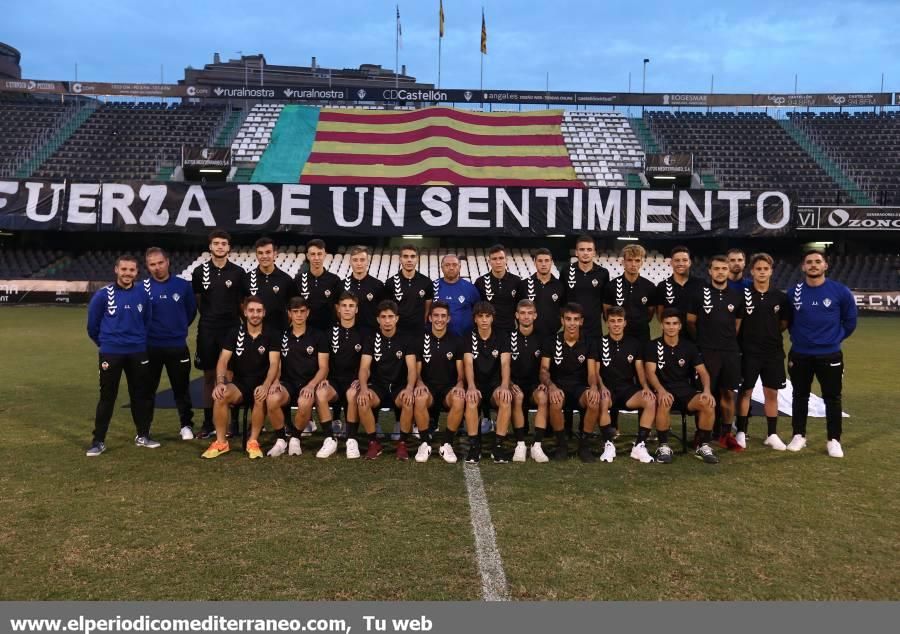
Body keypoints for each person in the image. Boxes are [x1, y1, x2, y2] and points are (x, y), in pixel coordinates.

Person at [786, 250, 857, 457]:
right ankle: (799, 435)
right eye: (809, 262)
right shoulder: (794, 292)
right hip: (800, 354)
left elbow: (850, 321)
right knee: (799, 396)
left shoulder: (840, 291)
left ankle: (834, 440)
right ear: (803, 267)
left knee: (832, 398)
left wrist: (835, 338)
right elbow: (788, 321)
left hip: (830, 355)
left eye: (818, 262)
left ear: (825, 265)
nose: (813, 265)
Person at [85, 254, 155, 456]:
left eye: (131, 270)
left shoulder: (142, 294)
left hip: (137, 352)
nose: (127, 273)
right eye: (124, 269)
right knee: (107, 397)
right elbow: (92, 326)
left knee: (139, 395)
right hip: (111, 353)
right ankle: (98, 441)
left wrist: (139, 339)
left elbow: (147, 321)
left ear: (136, 272)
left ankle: (143, 435)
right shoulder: (103, 295)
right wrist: (106, 343)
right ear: (116, 270)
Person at [201, 297, 280, 459]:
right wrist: (221, 382)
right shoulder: (234, 332)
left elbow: (274, 364)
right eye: (251, 311)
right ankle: (221, 443)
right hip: (240, 383)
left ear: (264, 313)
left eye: (259, 311)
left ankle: (253, 441)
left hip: (261, 382)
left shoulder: (272, 333)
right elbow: (223, 359)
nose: (255, 314)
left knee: (260, 395)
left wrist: (266, 385)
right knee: (220, 395)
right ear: (245, 312)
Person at [644, 309, 718, 464]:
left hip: (686, 392)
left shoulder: (689, 347)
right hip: (664, 391)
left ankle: (703, 446)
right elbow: (650, 373)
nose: (671, 327)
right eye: (667, 323)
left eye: (675, 323)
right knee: (664, 400)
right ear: (662, 325)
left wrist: (706, 391)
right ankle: (663, 446)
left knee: (708, 403)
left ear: (680, 326)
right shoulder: (652, 346)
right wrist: (661, 390)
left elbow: (703, 372)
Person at [687, 255, 745, 451]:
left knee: (728, 393)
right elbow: (691, 322)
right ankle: (702, 434)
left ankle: (726, 434)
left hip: (729, 351)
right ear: (710, 271)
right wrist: (704, 343)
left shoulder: (737, 297)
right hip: (706, 351)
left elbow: (736, 326)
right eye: (717, 268)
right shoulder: (698, 294)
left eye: (724, 268)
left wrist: (725, 342)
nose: (721, 272)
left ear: (729, 271)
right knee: (705, 393)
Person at [736, 253, 792, 450]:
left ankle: (772, 434)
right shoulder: (742, 295)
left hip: (773, 353)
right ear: (751, 271)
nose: (761, 272)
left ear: (771, 271)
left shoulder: (780, 297)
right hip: (748, 352)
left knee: (771, 393)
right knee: (745, 392)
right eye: (758, 269)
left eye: (765, 269)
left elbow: (783, 323)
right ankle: (741, 431)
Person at [192, 230, 244, 439]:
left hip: (231, 329)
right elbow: (198, 301)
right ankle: (207, 423)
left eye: (224, 243)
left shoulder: (238, 273)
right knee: (209, 376)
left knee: (230, 376)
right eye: (216, 243)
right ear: (210, 247)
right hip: (208, 329)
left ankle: (233, 424)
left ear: (229, 247)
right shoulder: (199, 271)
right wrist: (210, 319)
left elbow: (242, 303)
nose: (220, 246)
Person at [265, 297, 329, 458]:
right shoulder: (281, 336)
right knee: (271, 398)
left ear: (307, 313)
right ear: (289, 314)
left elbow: (324, 367)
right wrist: (276, 381)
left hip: (308, 383)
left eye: (302, 311)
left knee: (305, 401)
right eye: (295, 312)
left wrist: (312, 385)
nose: (299, 315)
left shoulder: (318, 336)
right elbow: (277, 364)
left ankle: (295, 437)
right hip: (287, 383)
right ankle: (281, 439)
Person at [539, 303, 604, 462]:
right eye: (568, 319)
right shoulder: (551, 341)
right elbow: (543, 370)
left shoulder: (589, 342)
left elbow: (591, 373)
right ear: (562, 321)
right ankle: (562, 445)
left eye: (576, 319)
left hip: (579, 387)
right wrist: (552, 386)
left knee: (594, 401)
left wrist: (594, 387)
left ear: (581, 321)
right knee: (555, 400)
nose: (572, 323)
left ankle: (584, 445)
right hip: (558, 385)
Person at [144, 247, 197, 440]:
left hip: (176, 346)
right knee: (147, 389)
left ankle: (186, 425)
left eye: (160, 263)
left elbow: (190, 312)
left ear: (167, 262)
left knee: (181, 388)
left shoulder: (183, 286)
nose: (157, 267)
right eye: (152, 264)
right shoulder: (143, 288)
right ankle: (144, 427)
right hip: (150, 348)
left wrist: (177, 328)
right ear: (148, 267)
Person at [355, 301, 418, 460]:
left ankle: (402, 444)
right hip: (378, 386)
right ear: (378, 320)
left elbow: (412, 369)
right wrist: (363, 388)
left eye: (390, 317)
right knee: (362, 400)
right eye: (383, 317)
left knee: (408, 401)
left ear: (397, 318)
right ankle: (373, 443)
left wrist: (410, 388)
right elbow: (364, 368)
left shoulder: (406, 338)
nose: (387, 321)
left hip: (399, 386)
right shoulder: (371, 338)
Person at [596, 307, 657, 463]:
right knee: (602, 400)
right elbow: (595, 372)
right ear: (607, 323)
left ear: (625, 323)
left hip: (627, 390)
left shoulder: (634, 344)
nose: (616, 324)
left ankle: (639, 445)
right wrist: (601, 387)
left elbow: (640, 370)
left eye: (619, 321)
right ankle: (608, 444)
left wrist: (645, 387)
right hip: (607, 389)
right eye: (612, 321)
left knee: (650, 400)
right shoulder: (598, 343)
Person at [413, 301, 467, 463]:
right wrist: (419, 383)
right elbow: (416, 370)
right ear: (429, 318)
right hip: (428, 387)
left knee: (459, 398)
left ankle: (447, 443)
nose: (439, 319)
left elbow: (460, 372)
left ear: (449, 319)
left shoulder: (456, 340)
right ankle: (424, 443)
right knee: (420, 397)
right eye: (436, 315)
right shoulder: (421, 339)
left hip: (448, 388)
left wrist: (459, 384)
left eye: (443, 316)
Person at [315, 292, 365, 459]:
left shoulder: (365, 333)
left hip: (355, 381)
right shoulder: (328, 333)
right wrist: (324, 379)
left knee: (352, 394)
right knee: (320, 393)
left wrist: (362, 380)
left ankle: (351, 439)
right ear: (338, 309)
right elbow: (324, 363)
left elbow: (368, 364)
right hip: (334, 382)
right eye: (344, 306)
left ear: (357, 309)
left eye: (351, 306)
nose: (347, 309)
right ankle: (330, 439)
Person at [463, 302, 513, 464]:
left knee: (505, 399)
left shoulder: (502, 336)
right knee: (471, 401)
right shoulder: (468, 336)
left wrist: (504, 386)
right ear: (475, 319)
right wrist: (470, 386)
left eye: (487, 316)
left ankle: (497, 447)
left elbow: (505, 363)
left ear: (492, 318)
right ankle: (474, 447)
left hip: (494, 386)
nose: (484, 320)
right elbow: (468, 364)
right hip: (475, 384)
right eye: (480, 316)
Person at [507, 300, 547, 462]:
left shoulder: (542, 338)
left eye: (529, 313)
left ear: (535, 316)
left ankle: (537, 445)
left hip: (534, 385)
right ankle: (521, 444)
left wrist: (544, 383)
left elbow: (545, 368)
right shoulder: (508, 337)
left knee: (543, 397)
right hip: (514, 383)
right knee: (517, 396)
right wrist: (509, 383)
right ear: (516, 315)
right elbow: (504, 366)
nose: (526, 317)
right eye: (522, 313)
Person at [603, 244, 657, 342]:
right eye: (629, 260)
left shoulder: (650, 286)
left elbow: (650, 313)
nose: (633, 264)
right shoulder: (611, 286)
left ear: (641, 263)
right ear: (623, 262)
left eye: (637, 260)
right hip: (619, 337)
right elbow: (607, 312)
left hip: (642, 336)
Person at [560, 235, 609, 341]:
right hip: (572, 327)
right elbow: (562, 299)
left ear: (594, 252)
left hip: (594, 328)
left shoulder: (603, 273)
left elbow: (604, 301)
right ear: (576, 252)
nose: (585, 253)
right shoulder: (566, 271)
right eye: (582, 249)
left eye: (589, 249)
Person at [242, 237, 297, 332]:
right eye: (260, 253)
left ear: (275, 254)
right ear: (256, 255)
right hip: (254, 334)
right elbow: (242, 305)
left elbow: (293, 308)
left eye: (268, 252)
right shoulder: (246, 278)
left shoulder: (286, 279)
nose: (264, 256)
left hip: (279, 333)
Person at [385, 243, 433, 335]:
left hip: (418, 331)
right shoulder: (390, 283)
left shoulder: (426, 282)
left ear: (417, 259)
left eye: (412, 256)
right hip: (397, 332)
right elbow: (388, 309)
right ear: (400, 259)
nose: (409, 260)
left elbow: (427, 308)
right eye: (405, 256)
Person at [654, 245, 705, 332]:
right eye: (677, 260)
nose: (681, 263)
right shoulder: (662, 286)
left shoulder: (701, 284)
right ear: (671, 263)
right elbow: (660, 315)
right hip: (672, 336)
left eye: (684, 260)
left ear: (690, 262)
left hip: (696, 336)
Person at [516, 248, 564, 340]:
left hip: (552, 337)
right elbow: (517, 310)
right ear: (535, 262)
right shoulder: (524, 285)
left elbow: (563, 310)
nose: (543, 264)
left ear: (551, 262)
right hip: (529, 337)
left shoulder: (560, 286)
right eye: (540, 261)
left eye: (546, 260)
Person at [295, 238, 342, 332]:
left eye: (319, 254)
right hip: (306, 332)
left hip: (328, 332)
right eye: (313, 254)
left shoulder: (334, 280)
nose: (316, 258)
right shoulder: (298, 280)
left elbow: (338, 309)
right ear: (307, 256)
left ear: (325, 255)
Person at [474, 244, 521, 335]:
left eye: (501, 258)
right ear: (489, 261)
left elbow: (519, 307)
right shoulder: (480, 282)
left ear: (506, 260)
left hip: (510, 331)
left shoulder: (516, 281)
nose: (498, 262)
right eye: (494, 259)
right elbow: (476, 309)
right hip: (488, 333)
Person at [432, 253, 481, 338]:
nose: (451, 268)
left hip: (465, 340)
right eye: (447, 265)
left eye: (454, 265)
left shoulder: (470, 288)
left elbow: (478, 312)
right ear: (442, 267)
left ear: (460, 267)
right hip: (440, 340)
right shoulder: (433, 287)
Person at [342, 246, 384, 333]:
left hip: (371, 333)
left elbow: (382, 312)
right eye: (355, 260)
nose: (359, 263)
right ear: (350, 262)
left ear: (367, 262)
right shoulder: (341, 285)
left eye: (362, 260)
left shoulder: (378, 285)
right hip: (349, 333)